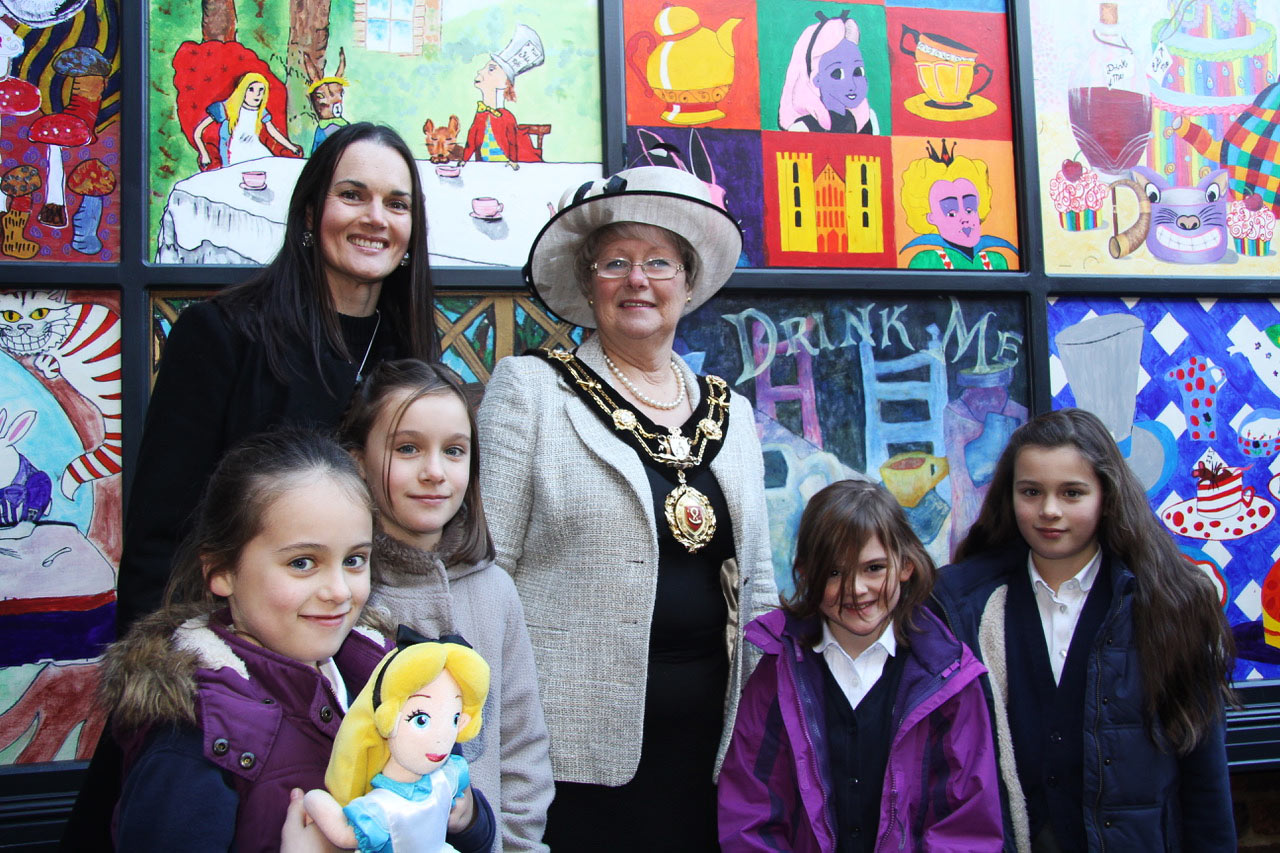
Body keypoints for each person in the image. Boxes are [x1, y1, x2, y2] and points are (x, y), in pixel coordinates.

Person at [477, 165, 777, 851]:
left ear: (688, 282)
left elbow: (758, 588)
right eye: (615, 262)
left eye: (658, 262)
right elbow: (486, 572)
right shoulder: (532, 391)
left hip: (709, 751)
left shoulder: (735, 414)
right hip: (567, 755)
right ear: (589, 284)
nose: (637, 279)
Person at [101, 430, 495, 853]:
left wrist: (465, 816)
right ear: (221, 571)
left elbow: (465, 834)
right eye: (303, 563)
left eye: (354, 560)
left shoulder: (388, 677)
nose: (339, 591)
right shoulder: (193, 742)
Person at [117, 121, 438, 632]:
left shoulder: (412, 352)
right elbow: (162, 534)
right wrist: (162, 682)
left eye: (397, 204)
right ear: (310, 213)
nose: (377, 218)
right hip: (237, 656)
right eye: (353, 195)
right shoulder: (221, 336)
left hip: (368, 650)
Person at [933, 408, 1237, 852]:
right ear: (1009, 495)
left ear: (1107, 496)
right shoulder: (961, 605)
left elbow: (1204, 776)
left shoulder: (1172, 604)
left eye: (1072, 493)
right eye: (1031, 491)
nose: (1049, 511)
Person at [718, 479, 1003, 852]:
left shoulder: (949, 677)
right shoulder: (777, 672)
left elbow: (967, 823)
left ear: (905, 566)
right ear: (804, 573)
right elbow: (750, 809)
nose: (856, 588)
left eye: (873, 568)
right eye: (834, 572)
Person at [340, 359, 554, 851]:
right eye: (408, 448)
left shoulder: (494, 590)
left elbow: (522, 748)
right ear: (357, 460)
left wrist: (516, 843)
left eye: (454, 451)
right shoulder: (344, 593)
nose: (434, 472)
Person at [898, 139, 1017, 271]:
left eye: (970, 209)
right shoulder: (926, 261)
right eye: (951, 213)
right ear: (931, 217)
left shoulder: (996, 261)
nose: (964, 218)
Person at [779, 10, 879, 134]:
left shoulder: (867, 122)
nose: (852, 85)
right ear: (816, 79)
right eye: (837, 73)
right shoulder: (803, 129)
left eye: (857, 72)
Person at [459, 24, 545, 167]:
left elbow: (512, 142)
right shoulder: (481, 114)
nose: (480, 71)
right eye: (485, 68)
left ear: (504, 83)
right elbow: (472, 140)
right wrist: (464, 159)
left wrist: (513, 161)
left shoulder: (506, 117)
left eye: (491, 69)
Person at [193, 71, 303, 169]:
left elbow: (273, 132)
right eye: (251, 90)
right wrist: (204, 155)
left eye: (261, 90)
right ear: (242, 90)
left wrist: (292, 148)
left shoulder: (261, 111)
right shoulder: (225, 108)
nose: (257, 94)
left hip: (258, 151)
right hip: (234, 154)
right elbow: (198, 132)